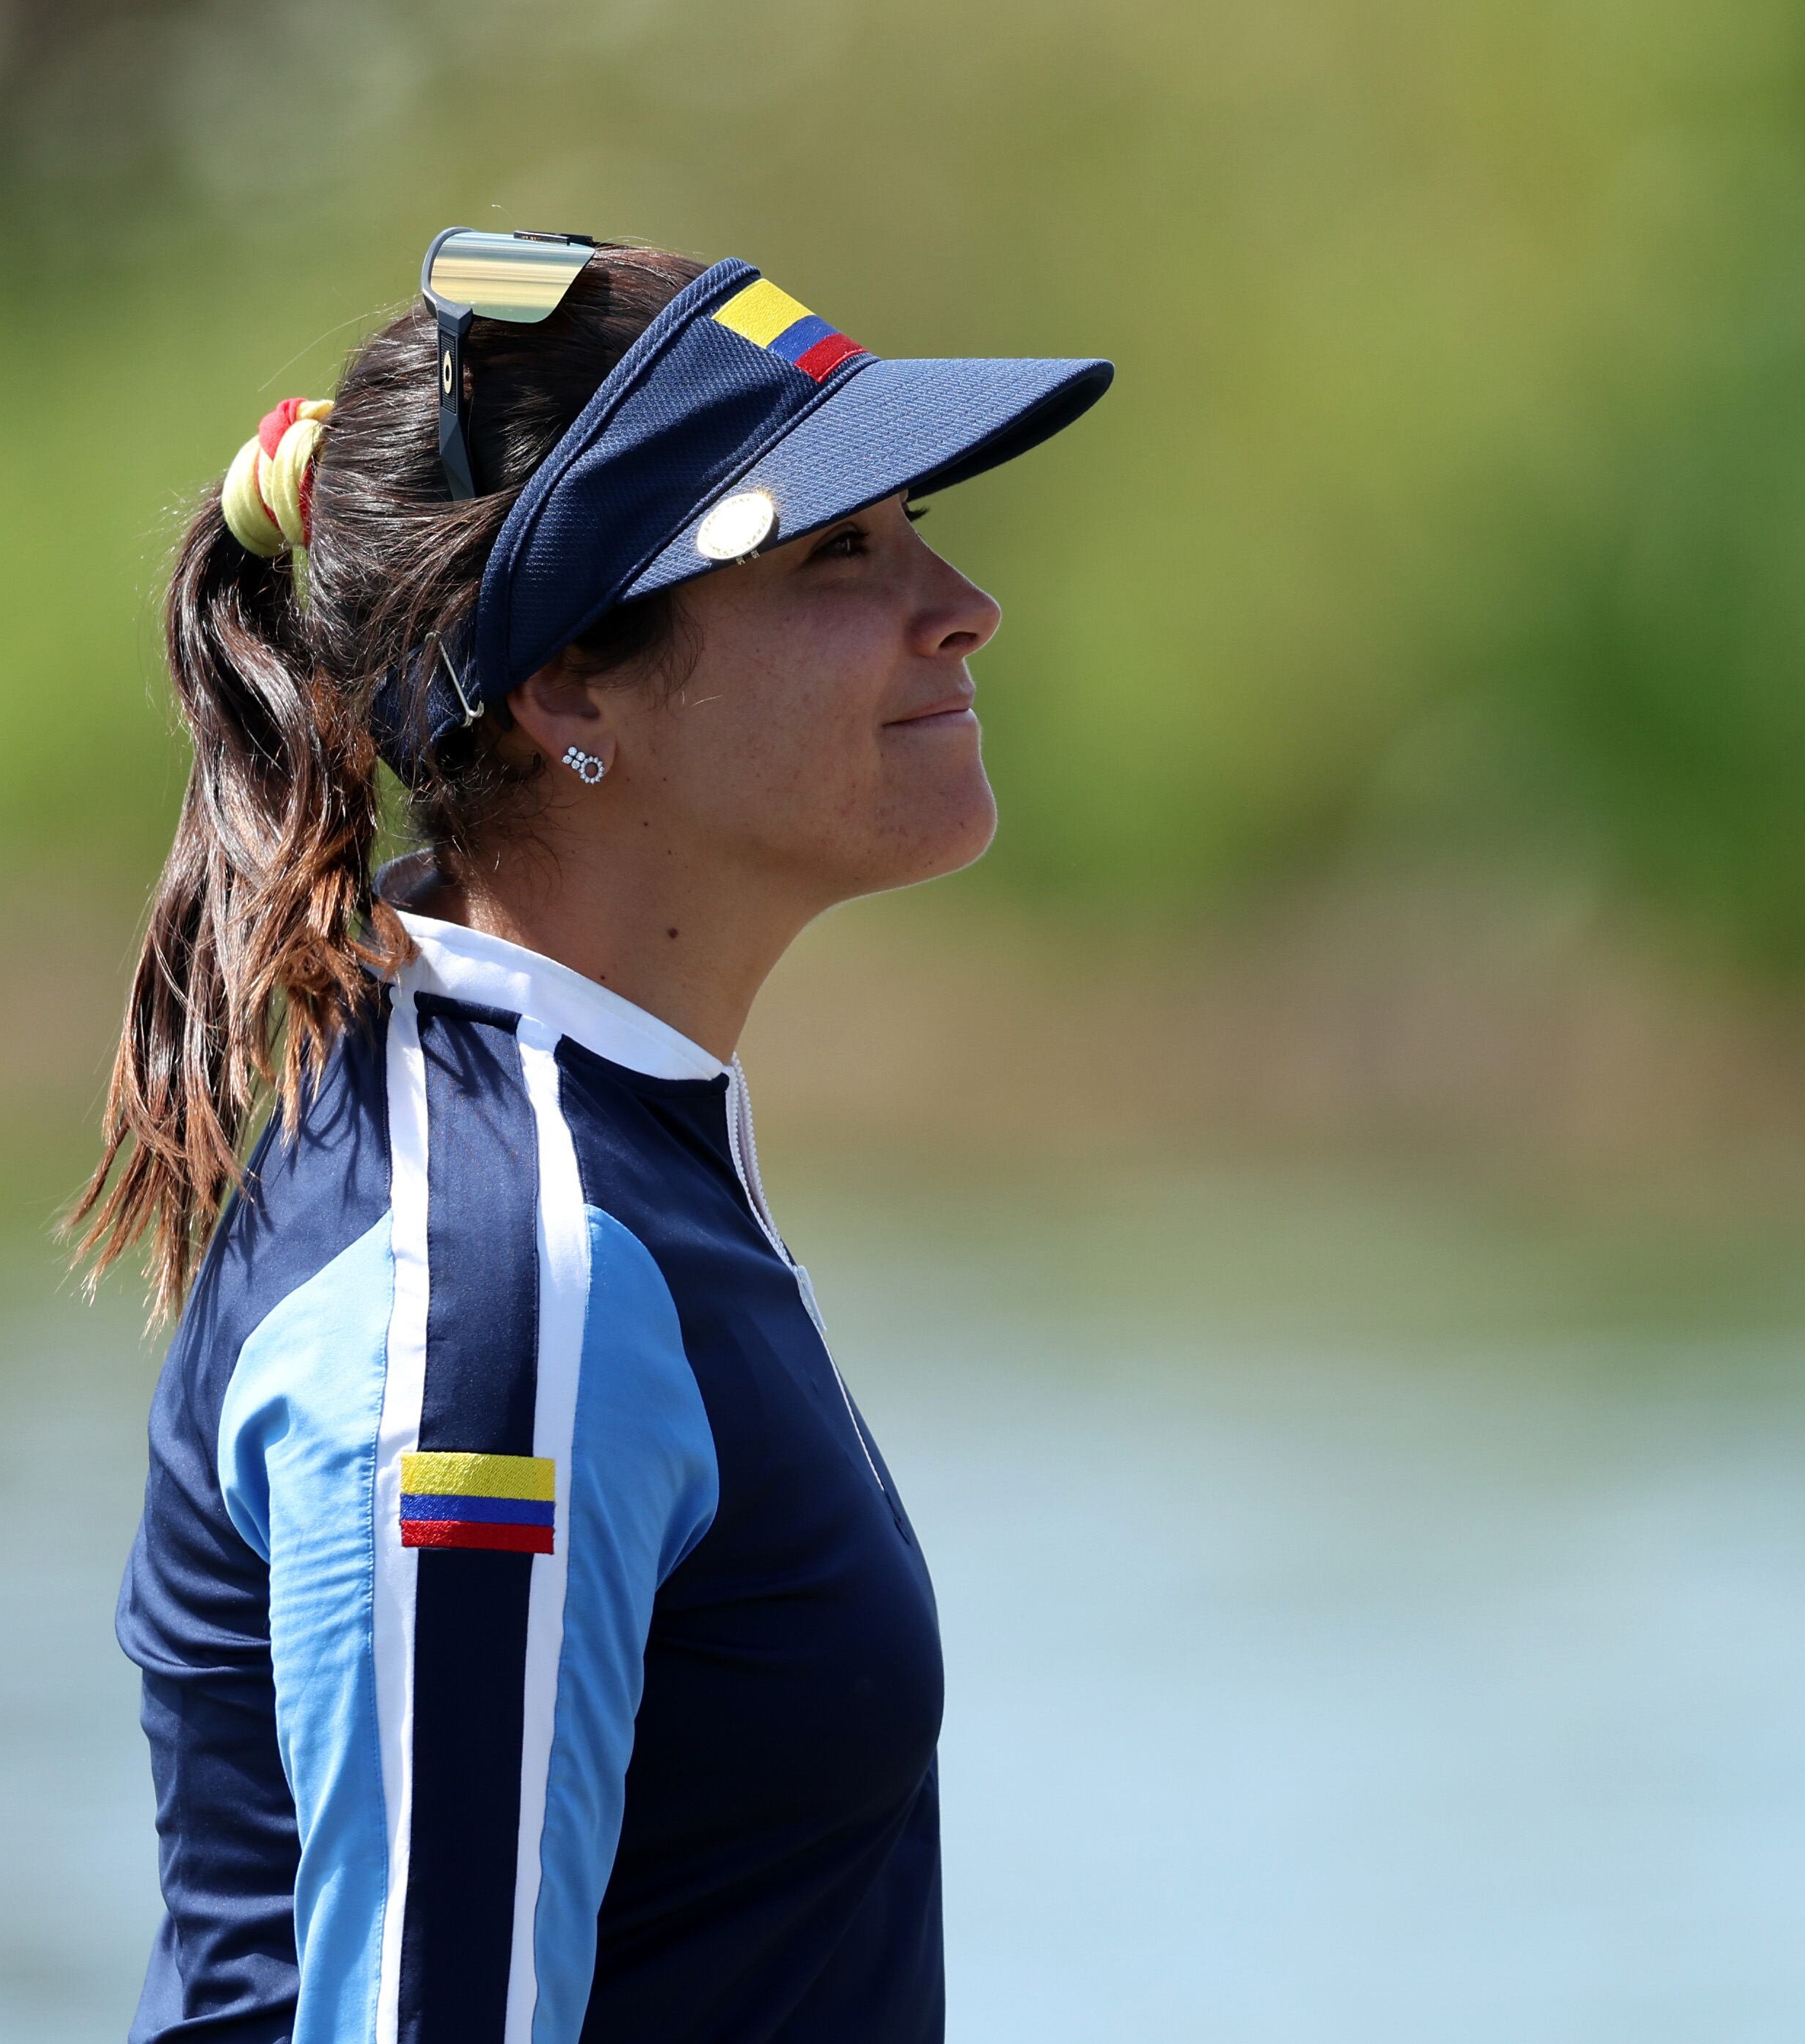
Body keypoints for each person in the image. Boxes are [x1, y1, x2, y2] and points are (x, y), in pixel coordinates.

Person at [68, 231, 1111, 2044]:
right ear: (566, 687)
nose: (962, 606)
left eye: (918, 525)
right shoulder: (506, 1285)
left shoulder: (578, 1151)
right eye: (836, 549)